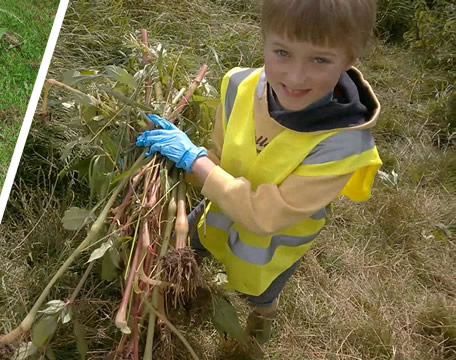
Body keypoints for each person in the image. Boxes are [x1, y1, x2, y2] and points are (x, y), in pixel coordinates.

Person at [136, 0, 381, 357]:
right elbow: (217, 155)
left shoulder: (343, 144)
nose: (295, 77)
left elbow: (266, 216)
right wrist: (184, 162)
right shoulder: (238, 84)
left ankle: (260, 325)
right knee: (188, 243)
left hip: (268, 248)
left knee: (257, 293)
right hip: (217, 210)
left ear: (349, 59)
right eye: (282, 52)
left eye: (320, 60)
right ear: (264, 40)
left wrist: (194, 160)